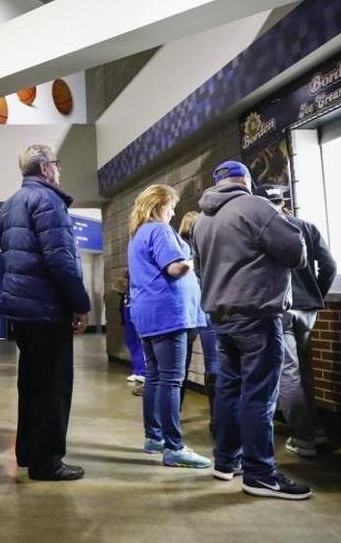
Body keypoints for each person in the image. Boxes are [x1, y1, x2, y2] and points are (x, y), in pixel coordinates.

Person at [193, 160, 310, 500]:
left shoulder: (202, 220)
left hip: (221, 319)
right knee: (259, 395)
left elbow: (199, 270)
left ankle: (227, 460)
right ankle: (260, 474)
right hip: (257, 316)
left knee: (229, 391)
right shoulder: (256, 207)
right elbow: (296, 253)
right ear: (244, 179)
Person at [0, 144, 91, 481]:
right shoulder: (48, 200)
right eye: (57, 163)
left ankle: (28, 451)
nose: (59, 169)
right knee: (53, 387)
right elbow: (60, 258)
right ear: (45, 168)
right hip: (47, 309)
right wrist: (80, 302)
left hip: (22, 309)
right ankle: (47, 461)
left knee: (32, 383)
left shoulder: (10, 204)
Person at [127, 185, 210, 469]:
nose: (173, 211)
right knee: (172, 380)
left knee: (155, 377)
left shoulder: (138, 234)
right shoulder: (159, 230)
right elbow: (174, 268)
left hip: (148, 314)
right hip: (169, 314)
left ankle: (154, 437)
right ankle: (174, 447)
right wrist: (196, 259)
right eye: (170, 206)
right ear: (156, 206)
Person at [262, 187, 337, 458]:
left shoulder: (265, 230)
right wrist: (316, 292)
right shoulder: (307, 226)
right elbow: (330, 267)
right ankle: (315, 429)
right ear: (283, 201)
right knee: (304, 371)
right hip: (309, 308)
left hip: (282, 308)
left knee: (289, 372)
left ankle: (303, 438)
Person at [177, 211, 218, 410]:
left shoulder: (177, 246)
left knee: (180, 365)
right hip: (209, 309)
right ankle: (218, 420)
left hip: (187, 310)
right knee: (214, 365)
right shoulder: (208, 246)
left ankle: (174, 414)